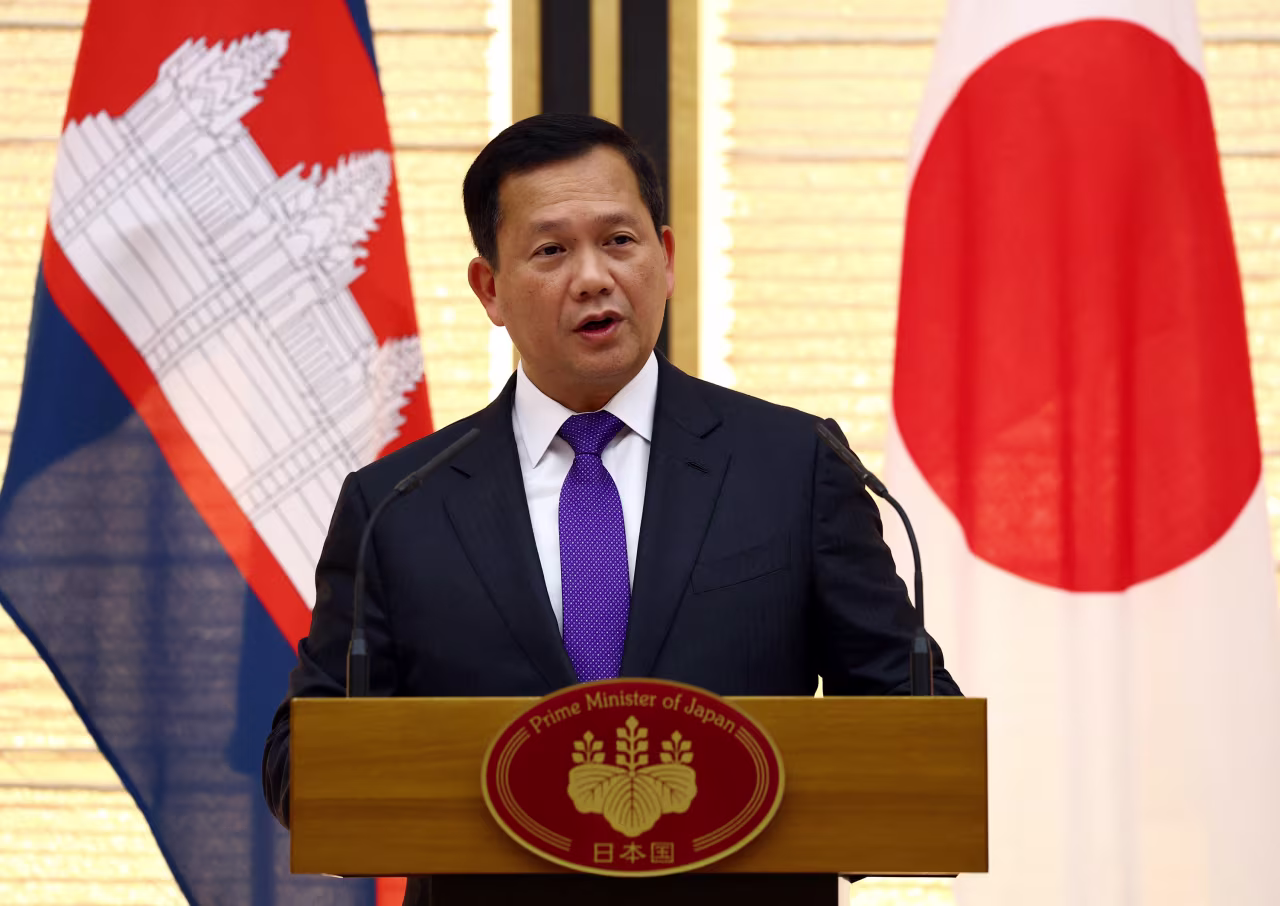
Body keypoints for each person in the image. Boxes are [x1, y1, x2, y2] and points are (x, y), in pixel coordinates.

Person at [262, 112, 960, 903]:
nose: (593, 276)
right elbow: (302, 763)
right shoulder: (398, 506)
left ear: (666, 257)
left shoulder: (796, 466)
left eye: (620, 242)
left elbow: (908, 721)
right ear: (490, 288)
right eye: (552, 250)